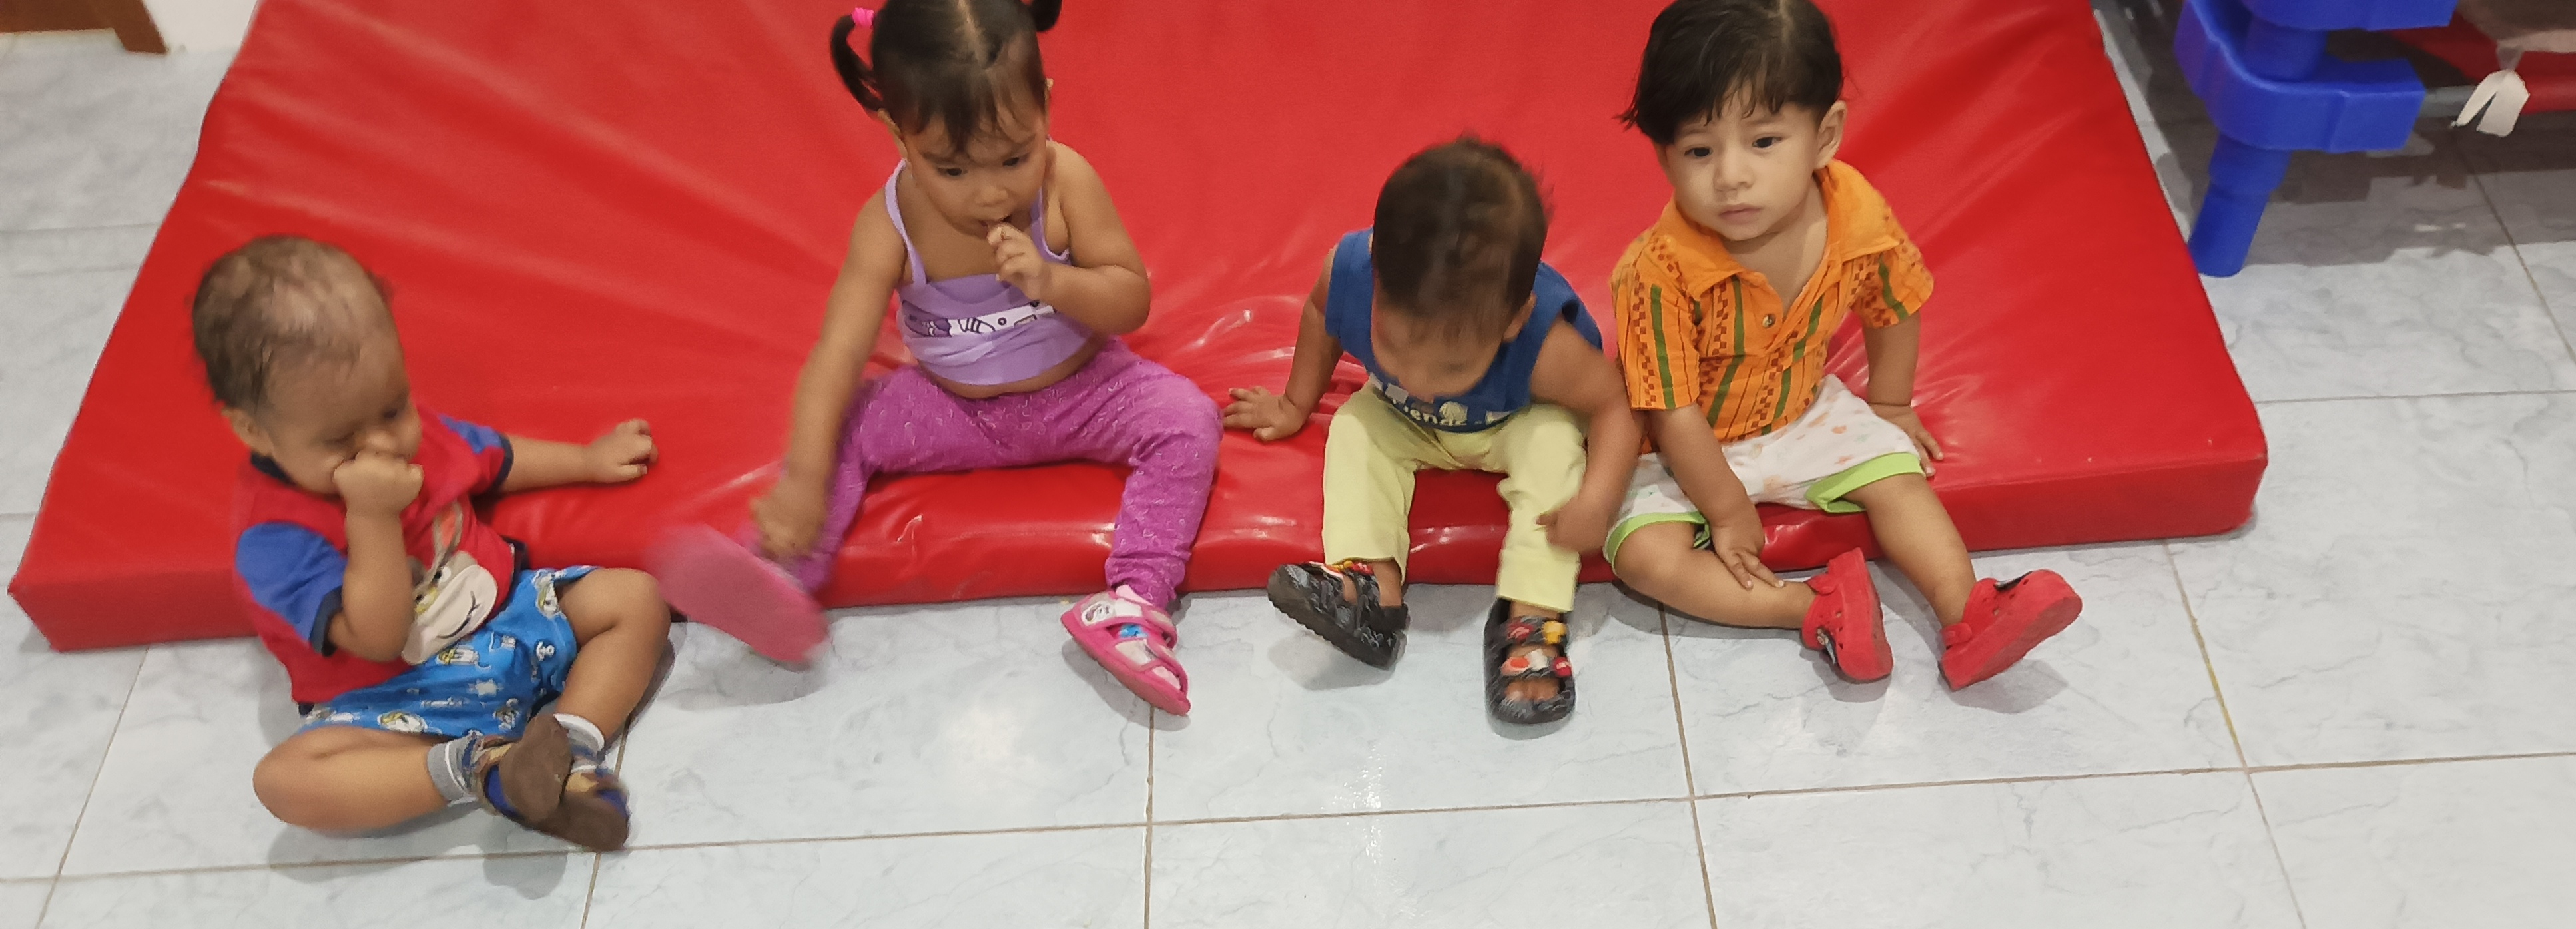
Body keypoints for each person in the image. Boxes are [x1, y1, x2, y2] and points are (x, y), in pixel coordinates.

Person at [654, 0, 1219, 715]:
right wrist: (801, 481)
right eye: (951, 169)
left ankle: (1134, 601)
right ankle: (782, 572)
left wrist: (1054, 281)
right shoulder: (888, 223)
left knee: (1188, 419)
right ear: (898, 133)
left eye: (1014, 157)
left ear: (1045, 107)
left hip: (1083, 390)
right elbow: (836, 355)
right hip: (953, 410)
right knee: (845, 423)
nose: (990, 191)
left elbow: (1130, 300)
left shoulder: (1066, 180)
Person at [1606, 0, 2080, 687]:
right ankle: (1813, 607)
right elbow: (1672, 409)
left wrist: (1889, 404)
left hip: (1805, 412)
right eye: (1699, 151)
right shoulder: (1655, 272)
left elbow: (1895, 303)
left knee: (1899, 480)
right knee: (1643, 559)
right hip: (1686, 447)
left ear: (1824, 135)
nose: (1730, 176)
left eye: (1764, 142)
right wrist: (1726, 509)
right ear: (1664, 156)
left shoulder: (1855, 213)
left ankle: (1968, 613)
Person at [196, 237, 667, 847]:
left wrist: (587, 460)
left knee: (635, 598)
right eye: (341, 439)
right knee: (285, 783)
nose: (383, 443)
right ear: (253, 430)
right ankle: (485, 772)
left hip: (511, 619)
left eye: (393, 411)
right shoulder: (276, 537)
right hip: (394, 702)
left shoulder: (413, 433)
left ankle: (570, 751)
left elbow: (495, 457)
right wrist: (372, 518)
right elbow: (378, 636)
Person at [1226, 139, 1637, 726]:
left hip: (1515, 420)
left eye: (1451, 366)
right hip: (1399, 420)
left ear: (1513, 320)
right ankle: (1372, 588)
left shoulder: (1546, 344)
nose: (1419, 381)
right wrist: (1295, 404)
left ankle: (1532, 612)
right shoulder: (1352, 273)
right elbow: (1320, 314)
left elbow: (1614, 403)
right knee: (1355, 426)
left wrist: (1597, 501)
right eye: (1393, 347)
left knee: (1554, 448)